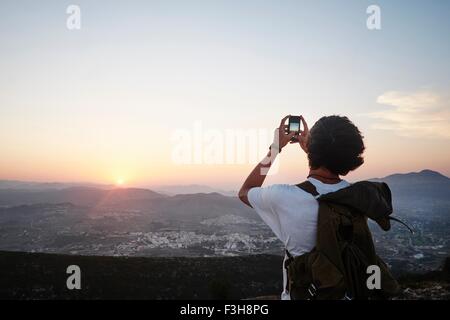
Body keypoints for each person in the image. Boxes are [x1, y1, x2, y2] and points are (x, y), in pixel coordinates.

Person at [238, 115, 365, 300]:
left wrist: (275, 149)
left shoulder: (285, 196)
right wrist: (313, 152)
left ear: (313, 148)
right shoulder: (357, 197)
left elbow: (245, 191)